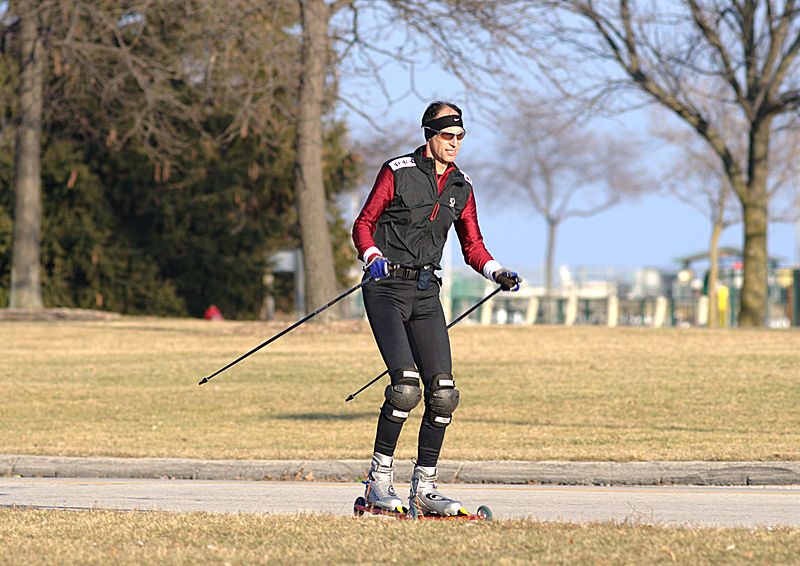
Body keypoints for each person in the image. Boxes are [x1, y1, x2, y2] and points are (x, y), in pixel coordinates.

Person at [351, 100, 521, 516]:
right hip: (386, 288)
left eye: (461, 137)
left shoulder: (462, 186)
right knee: (406, 389)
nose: (455, 144)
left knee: (444, 395)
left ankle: (424, 489)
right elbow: (363, 224)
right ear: (430, 136)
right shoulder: (397, 171)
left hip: (427, 295)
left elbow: (472, 245)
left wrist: (497, 271)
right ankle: (378, 484)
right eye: (448, 136)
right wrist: (371, 255)